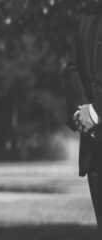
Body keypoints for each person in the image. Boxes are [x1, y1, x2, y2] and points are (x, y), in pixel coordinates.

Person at [64, 14, 102, 230]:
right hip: (95, 152)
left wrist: (97, 112)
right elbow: (72, 68)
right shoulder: (86, 21)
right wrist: (81, 113)